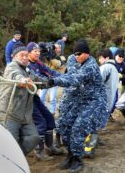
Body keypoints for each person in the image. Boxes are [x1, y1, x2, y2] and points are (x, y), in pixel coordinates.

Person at [48, 39, 109, 172]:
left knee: (78, 128)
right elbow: (69, 74)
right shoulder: (71, 59)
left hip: (93, 101)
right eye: (75, 54)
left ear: (87, 54)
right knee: (64, 125)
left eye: (79, 54)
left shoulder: (91, 66)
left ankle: (78, 160)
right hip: (76, 99)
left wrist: (54, 81)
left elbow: (75, 79)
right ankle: (70, 156)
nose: (76, 57)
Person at [0, 43, 40, 155]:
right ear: (14, 56)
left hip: (25, 116)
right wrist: (23, 81)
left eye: (26, 55)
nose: (25, 57)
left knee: (33, 138)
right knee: (11, 144)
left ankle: (16, 156)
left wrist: (53, 81)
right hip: (10, 113)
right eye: (22, 55)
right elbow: (16, 76)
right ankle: (12, 158)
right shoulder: (11, 67)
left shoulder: (28, 70)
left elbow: (39, 80)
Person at [26, 42, 63, 160]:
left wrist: (63, 77)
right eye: (34, 51)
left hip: (34, 97)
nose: (37, 53)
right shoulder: (26, 66)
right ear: (28, 52)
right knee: (41, 122)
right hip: (26, 99)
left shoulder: (38, 63)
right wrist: (50, 82)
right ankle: (39, 152)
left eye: (38, 51)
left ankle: (50, 147)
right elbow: (37, 79)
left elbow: (49, 71)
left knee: (49, 118)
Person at [97, 49, 119, 113]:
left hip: (101, 101)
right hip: (109, 102)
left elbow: (96, 82)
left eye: (100, 58)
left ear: (107, 58)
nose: (99, 60)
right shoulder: (115, 68)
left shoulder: (104, 67)